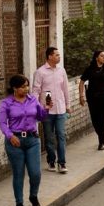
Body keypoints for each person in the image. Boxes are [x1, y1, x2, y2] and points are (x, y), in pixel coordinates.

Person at [0, 74, 52, 206]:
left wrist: (45, 108)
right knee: (18, 174)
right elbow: (3, 123)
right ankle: (19, 203)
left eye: (27, 85)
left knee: (35, 173)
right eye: (23, 86)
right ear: (15, 88)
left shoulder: (33, 100)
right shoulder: (6, 103)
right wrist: (10, 136)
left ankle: (33, 196)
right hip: (15, 141)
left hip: (32, 140)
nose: (26, 89)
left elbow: (40, 117)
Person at [32, 46, 69, 174]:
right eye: (57, 55)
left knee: (61, 135)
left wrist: (68, 105)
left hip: (61, 108)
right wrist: (38, 108)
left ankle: (62, 163)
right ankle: (51, 161)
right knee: (49, 137)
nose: (59, 57)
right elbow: (36, 91)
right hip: (46, 109)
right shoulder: (40, 72)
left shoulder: (61, 70)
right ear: (49, 57)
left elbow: (65, 89)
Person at [79, 50, 104, 150]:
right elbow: (82, 82)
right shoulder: (90, 69)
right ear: (96, 58)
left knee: (103, 119)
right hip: (92, 98)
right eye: (102, 56)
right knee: (95, 120)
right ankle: (100, 134)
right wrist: (81, 96)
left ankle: (101, 140)